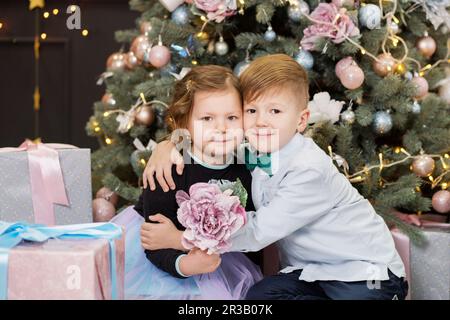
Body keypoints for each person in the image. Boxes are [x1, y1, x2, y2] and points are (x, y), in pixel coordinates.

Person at [139, 54, 408, 300]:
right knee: (259, 297)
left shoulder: (308, 169)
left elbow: (257, 231)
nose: (261, 122)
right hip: (310, 273)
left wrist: (180, 239)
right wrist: (167, 146)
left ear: (301, 120)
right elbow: (203, 144)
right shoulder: (254, 151)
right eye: (252, 111)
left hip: (364, 271)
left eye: (275, 111)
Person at [111, 65, 262, 300]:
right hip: (164, 261)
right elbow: (154, 241)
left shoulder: (250, 166)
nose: (221, 128)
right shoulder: (168, 169)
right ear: (184, 124)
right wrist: (186, 264)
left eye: (232, 117)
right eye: (207, 118)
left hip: (224, 261)